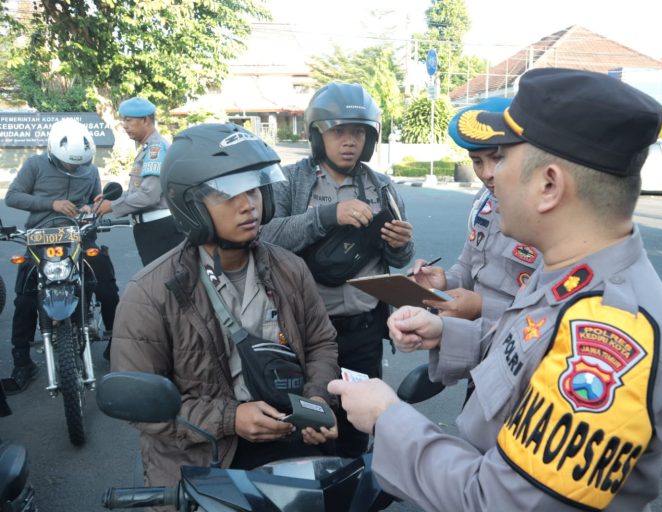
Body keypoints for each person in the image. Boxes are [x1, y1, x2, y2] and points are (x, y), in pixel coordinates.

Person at [329, 68, 662, 511]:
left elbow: (501, 501)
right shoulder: (571, 274)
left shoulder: (608, 338)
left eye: (502, 160)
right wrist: (449, 333)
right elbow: (531, 344)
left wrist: (388, 420)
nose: (489, 177)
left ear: (548, 185)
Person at [110, 123, 339, 497]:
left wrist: (315, 401)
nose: (248, 204)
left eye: (253, 190)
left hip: (289, 432)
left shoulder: (289, 269)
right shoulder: (150, 293)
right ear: (191, 207)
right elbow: (143, 406)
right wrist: (229, 419)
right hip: (205, 455)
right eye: (228, 195)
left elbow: (321, 344)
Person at [260, 82, 414, 458]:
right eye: (339, 131)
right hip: (307, 334)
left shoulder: (381, 186)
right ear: (317, 134)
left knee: (357, 425)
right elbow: (265, 238)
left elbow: (400, 260)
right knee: (305, 421)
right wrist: (327, 216)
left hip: (363, 330)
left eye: (358, 132)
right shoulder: (292, 181)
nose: (350, 141)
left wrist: (399, 243)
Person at [4, 118, 120, 393]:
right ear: (53, 153)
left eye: (78, 164)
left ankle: (116, 349)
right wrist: (51, 204)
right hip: (41, 237)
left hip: (80, 235)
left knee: (107, 289)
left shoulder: (90, 170)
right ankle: (22, 362)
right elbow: (12, 197)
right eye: (68, 163)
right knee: (25, 299)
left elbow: (95, 199)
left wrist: (95, 207)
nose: (74, 168)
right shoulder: (34, 165)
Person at [412, 96, 541, 327]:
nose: (487, 173)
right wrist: (443, 283)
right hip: (468, 340)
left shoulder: (548, 213)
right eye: (477, 162)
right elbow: (468, 266)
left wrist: (482, 307)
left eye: (497, 158)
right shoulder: (483, 203)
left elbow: (550, 311)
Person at [95, 96, 184, 266]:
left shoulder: (155, 150)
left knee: (161, 284)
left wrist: (112, 206)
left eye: (129, 120)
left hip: (159, 229)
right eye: (123, 120)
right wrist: (111, 200)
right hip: (150, 229)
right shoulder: (148, 148)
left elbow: (148, 195)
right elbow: (138, 190)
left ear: (145, 120)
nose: (125, 125)